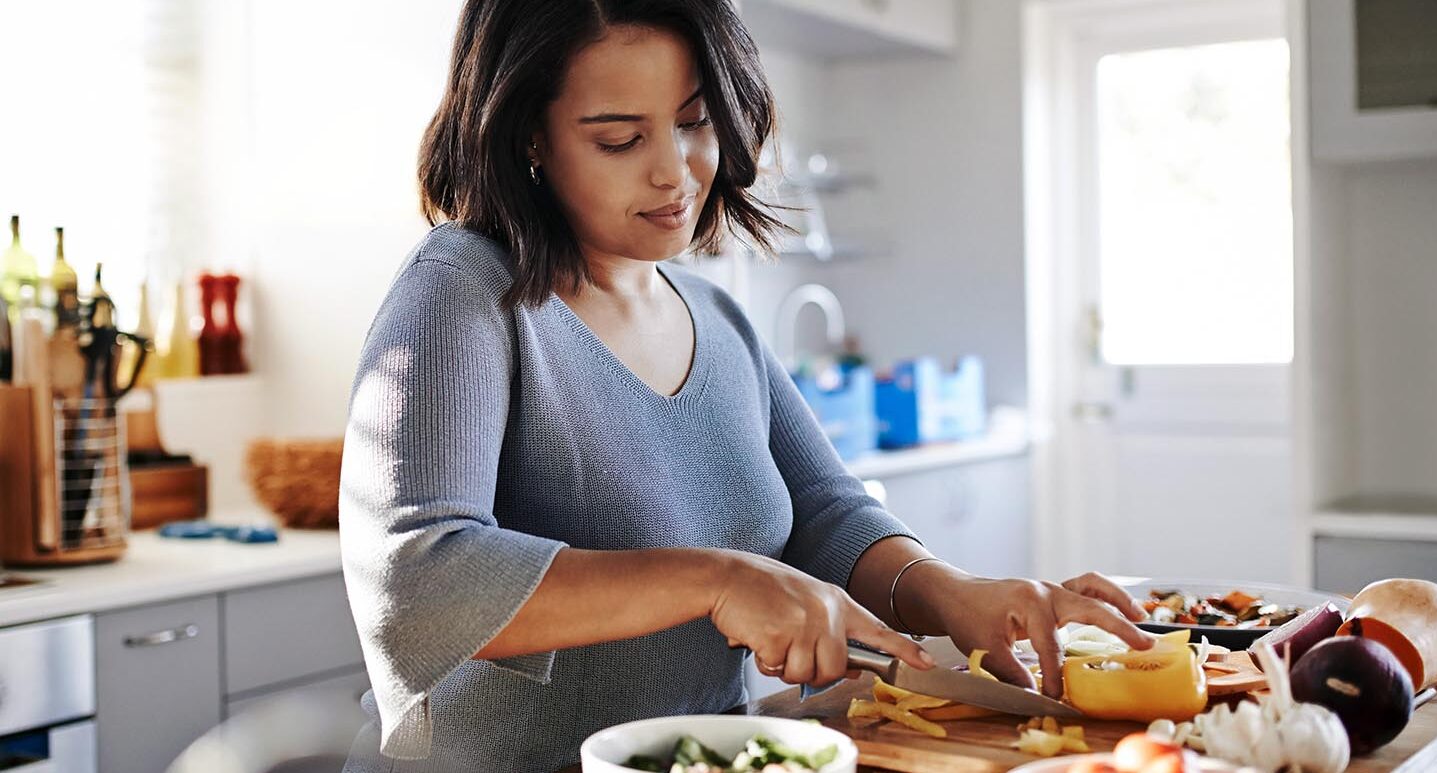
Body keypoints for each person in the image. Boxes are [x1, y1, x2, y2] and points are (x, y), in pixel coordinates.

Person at [339, 1, 1152, 770]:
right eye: (620, 139)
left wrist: (951, 591)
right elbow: (419, 578)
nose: (676, 172)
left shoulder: (714, 313)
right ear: (528, 139)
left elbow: (828, 513)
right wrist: (719, 579)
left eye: (694, 122)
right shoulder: (462, 288)